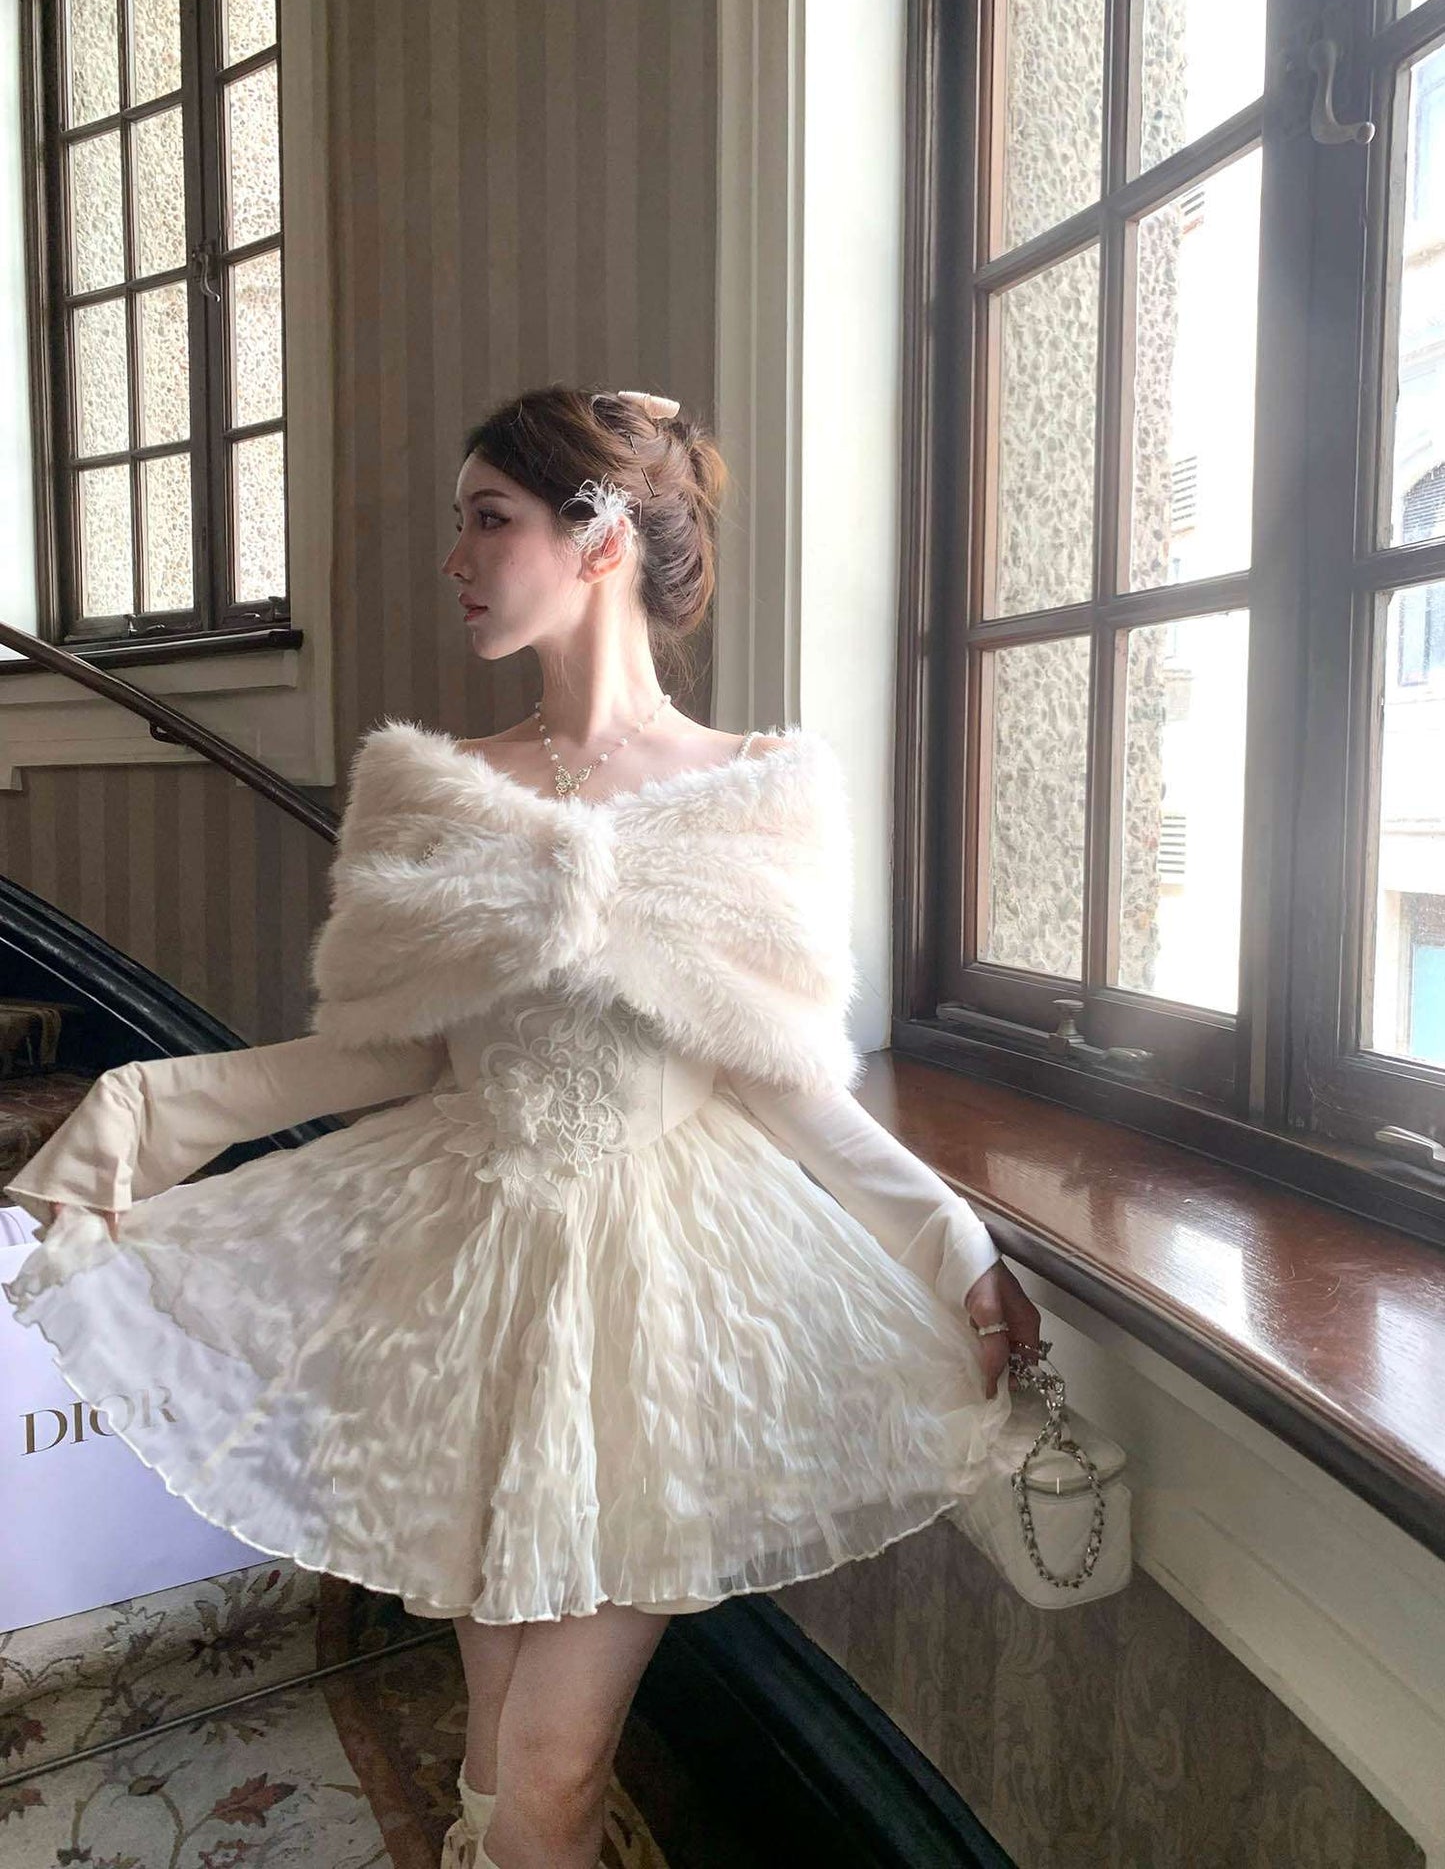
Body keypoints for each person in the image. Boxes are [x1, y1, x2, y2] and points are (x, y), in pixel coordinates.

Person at [3, 384, 1042, 1869]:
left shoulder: (756, 795)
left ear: (598, 537)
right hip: (473, 1294)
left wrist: (952, 1244)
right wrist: (137, 1112)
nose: (456, 560)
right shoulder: (427, 792)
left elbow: (785, 1077)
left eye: (488, 520)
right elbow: (385, 1053)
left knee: (550, 1768)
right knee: (496, 1755)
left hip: (660, 1305)